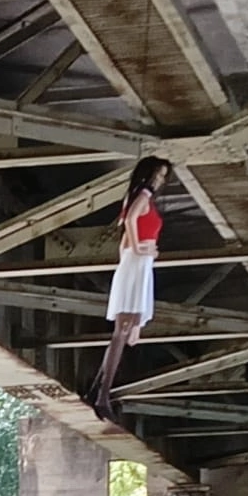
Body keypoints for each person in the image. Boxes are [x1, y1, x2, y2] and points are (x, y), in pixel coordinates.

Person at [87, 157, 172, 422]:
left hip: (137, 265)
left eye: (163, 177)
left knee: (125, 332)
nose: (159, 181)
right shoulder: (143, 196)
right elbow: (131, 223)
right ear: (148, 175)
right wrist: (139, 249)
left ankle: (97, 392)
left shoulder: (135, 197)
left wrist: (140, 251)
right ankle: (101, 396)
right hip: (136, 266)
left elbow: (124, 237)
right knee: (122, 332)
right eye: (158, 175)